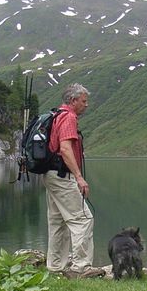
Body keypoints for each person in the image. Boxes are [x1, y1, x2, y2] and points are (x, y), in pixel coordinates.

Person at [43, 83, 104, 278]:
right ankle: (81, 267)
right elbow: (66, 149)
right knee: (83, 219)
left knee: (57, 221)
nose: (87, 105)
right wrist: (79, 177)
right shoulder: (68, 117)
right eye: (84, 101)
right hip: (63, 176)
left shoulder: (56, 115)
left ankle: (55, 266)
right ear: (73, 100)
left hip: (51, 175)